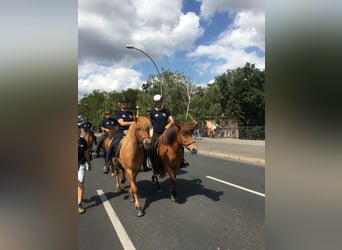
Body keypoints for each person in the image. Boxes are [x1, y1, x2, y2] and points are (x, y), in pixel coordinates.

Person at [148, 94, 189, 173]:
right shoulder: (152, 112)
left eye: (159, 102)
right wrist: (150, 128)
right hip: (156, 133)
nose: (158, 103)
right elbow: (149, 121)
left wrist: (168, 125)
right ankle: (153, 164)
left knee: (179, 145)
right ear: (154, 102)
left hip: (166, 133)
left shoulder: (166, 111)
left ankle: (182, 161)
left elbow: (172, 121)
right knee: (151, 147)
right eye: (156, 102)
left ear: (161, 102)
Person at [105, 96, 135, 173]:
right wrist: (134, 122)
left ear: (128, 104)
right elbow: (122, 123)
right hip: (121, 132)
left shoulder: (131, 113)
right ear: (120, 104)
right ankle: (107, 163)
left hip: (131, 132)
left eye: (125, 103)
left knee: (143, 144)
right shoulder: (118, 113)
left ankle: (144, 163)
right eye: (122, 103)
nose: (124, 104)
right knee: (112, 144)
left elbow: (136, 121)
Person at [78, 124, 91, 214]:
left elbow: (86, 153)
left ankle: (79, 204)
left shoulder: (83, 141)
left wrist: (89, 163)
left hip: (81, 164)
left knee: (80, 183)